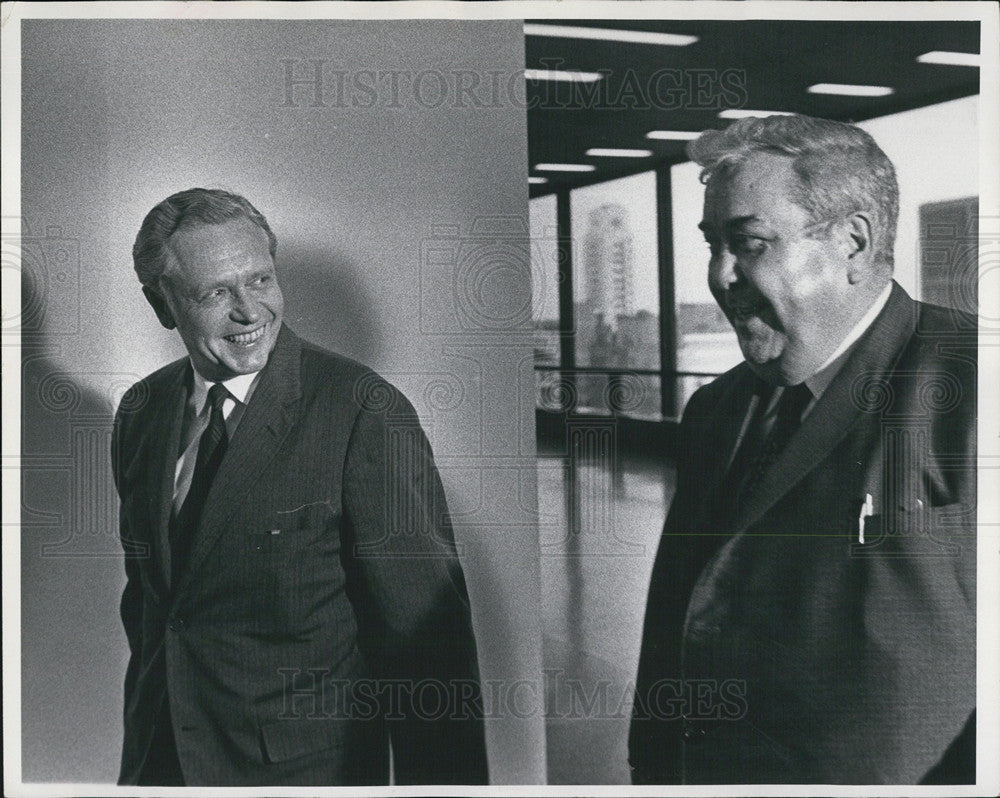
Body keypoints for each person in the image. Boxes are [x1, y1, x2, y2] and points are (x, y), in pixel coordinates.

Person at [629, 115, 976, 784]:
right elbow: (673, 615)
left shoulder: (974, 388)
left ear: (852, 242)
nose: (719, 274)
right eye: (712, 244)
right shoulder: (714, 412)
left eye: (749, 243)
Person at [112, 188, 488, 786]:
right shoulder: (142, 411)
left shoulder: (363, 409)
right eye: (216, 292)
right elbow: (155, 608)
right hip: (161, 765)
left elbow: (429, 652)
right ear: (162, 303)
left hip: (305, 775)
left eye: (260, 280)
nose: (249, 311)